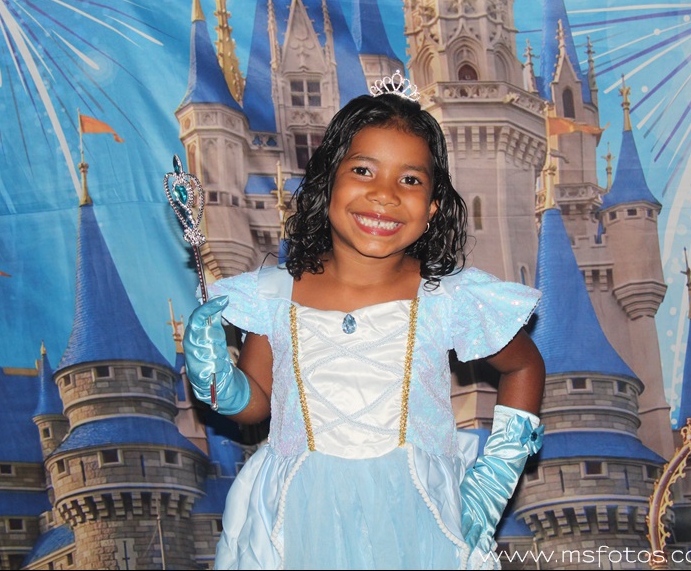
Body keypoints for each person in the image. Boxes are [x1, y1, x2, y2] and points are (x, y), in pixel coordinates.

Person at [183, 75, 545, 570]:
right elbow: (258, 403)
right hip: (294, 527)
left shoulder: (449, 298)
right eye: (363, 170)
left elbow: (524, 366)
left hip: (421, 526)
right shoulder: (273, 295)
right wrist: (221, 385)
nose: (385, 194)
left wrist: (493, 481)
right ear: (326, 182)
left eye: (410, 180)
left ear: (433, 207)